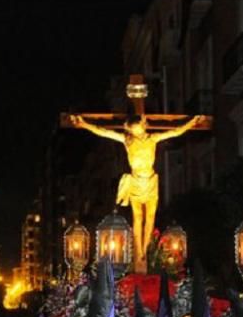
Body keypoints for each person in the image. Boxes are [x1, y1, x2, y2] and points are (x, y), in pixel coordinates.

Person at [68, 113, 206, 272]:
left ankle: (145, 249)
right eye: (133, 131)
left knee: (150, 217)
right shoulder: (128, 140)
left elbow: (175, 131)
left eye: (138, 130)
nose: (137, 133)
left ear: (144, 125)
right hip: (135, 182)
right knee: (138, 217)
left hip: (150, 181)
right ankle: (139, 249)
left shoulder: (152, 139)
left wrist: (191, 124)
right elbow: (103, 131)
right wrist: (84, 124)